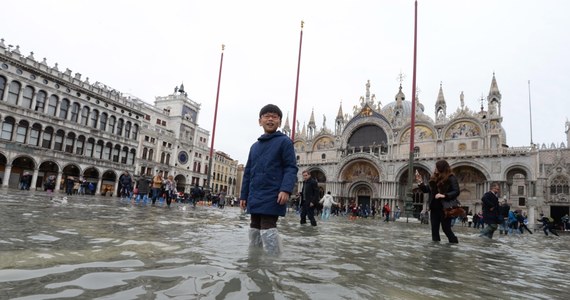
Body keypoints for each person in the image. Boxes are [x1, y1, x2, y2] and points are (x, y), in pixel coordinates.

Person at [239, 104, 298, 255]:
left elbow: (291, 167)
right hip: (255, 194)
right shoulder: (254, 146)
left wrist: (285, 189)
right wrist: (243, 196)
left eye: (274, 116)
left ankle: (273, 263)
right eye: (267, 116)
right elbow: (248, 173)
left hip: (273, 193)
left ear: (279, 121)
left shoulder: (284, 142)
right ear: (260, 121)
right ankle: (254, 258)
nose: (270, 119)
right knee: (254, 228)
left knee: (268, 228)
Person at [416, 160, 459, 243]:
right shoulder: (434, 178)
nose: (435, 169)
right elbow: (426, 189)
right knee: (434, 230)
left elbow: (456, 191)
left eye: (437, 167)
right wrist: (420, 182)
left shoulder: (451, 177)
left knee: (446, 229)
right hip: (434, 208)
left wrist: (444, 195)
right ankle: (435, 249)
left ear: (441, 168)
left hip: (445, 208)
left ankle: (454, 243)